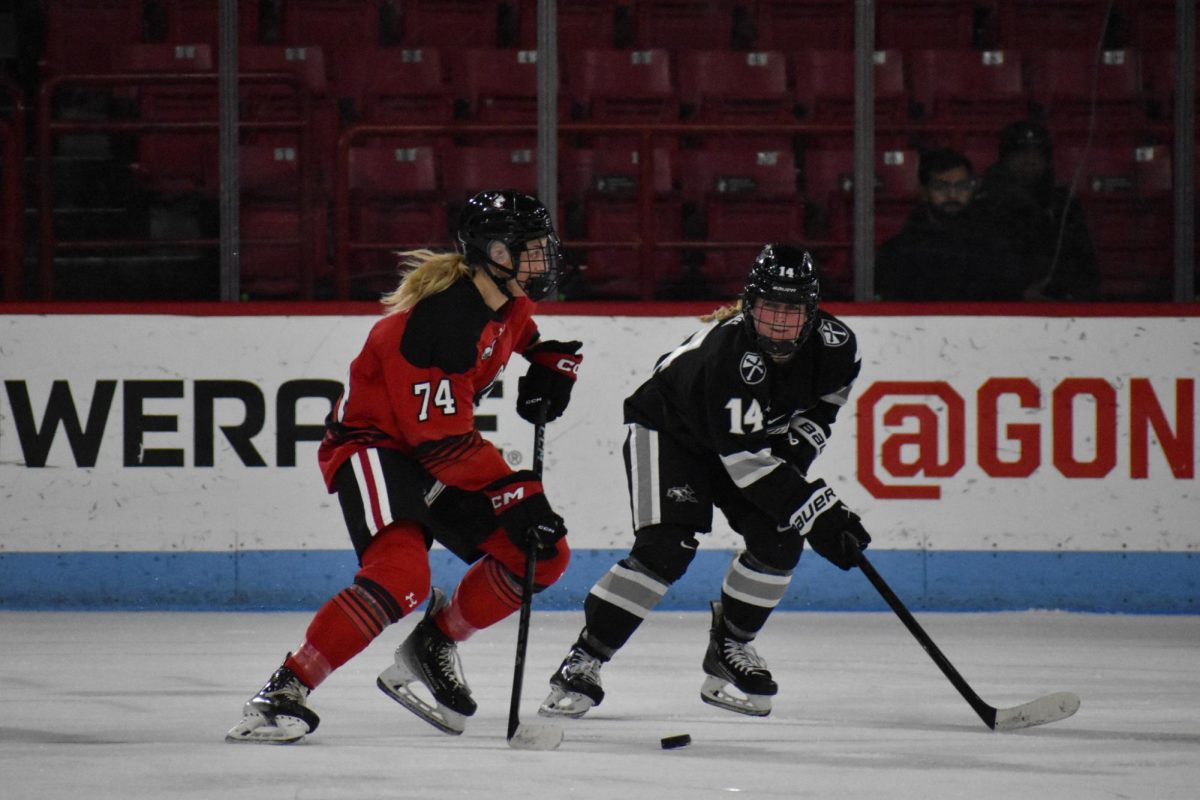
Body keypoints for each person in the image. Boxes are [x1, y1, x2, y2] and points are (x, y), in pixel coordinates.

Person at [226, 189, 583, 743]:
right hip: (376, 447)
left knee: (542, 555)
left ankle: (433, 643)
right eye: (528, 250)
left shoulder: (509, 300)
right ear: (491, 253)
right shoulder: (437, 327)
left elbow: (513, 332)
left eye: (542, 247)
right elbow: (445, 449)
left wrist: (543, 357)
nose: (541, 261)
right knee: (402, 579)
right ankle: (284, 690)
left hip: (434, 449)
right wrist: (517, 492)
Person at [539, 244, 870, 720]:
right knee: (666, 547)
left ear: (813, 313)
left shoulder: (839, 346)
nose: (778, 322)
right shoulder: (726, 357)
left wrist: (797, 473)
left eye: (791, 310)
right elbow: (744, 466)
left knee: (780, 538)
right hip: (671, 435)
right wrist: (816, 509)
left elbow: (824, 407)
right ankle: (584, 659)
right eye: (769, 308)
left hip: (743, 444)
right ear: (749, 304)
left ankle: (730, 648)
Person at [972, 120, 1101, 301]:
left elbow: (1084, 261)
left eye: (1037, 154)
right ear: (1005, 157)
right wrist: (1016, 294)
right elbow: (981, 267)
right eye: (1021, 154)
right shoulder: (986, 202)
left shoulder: (1061, 203)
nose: (1030, 161)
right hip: (1003, 305)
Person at [876, 147, 1023, 301]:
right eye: (941, 186)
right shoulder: (898, 251)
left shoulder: (994, 247)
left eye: (961, 186)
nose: (952, 195)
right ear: (924, 191)